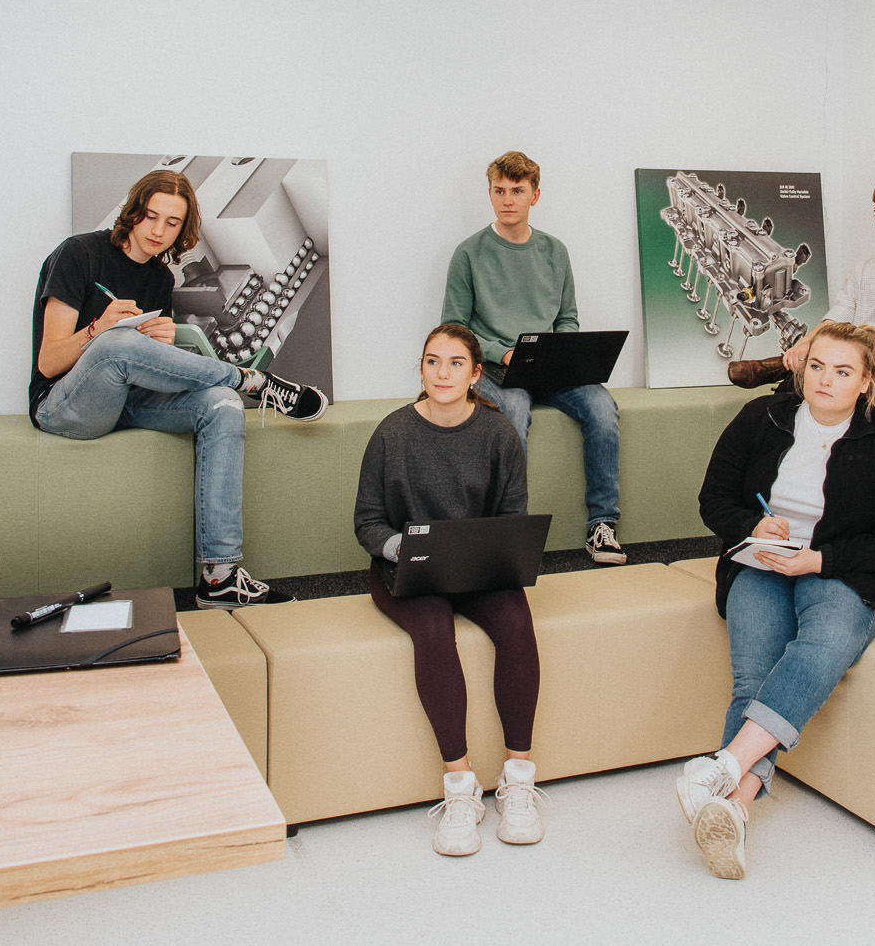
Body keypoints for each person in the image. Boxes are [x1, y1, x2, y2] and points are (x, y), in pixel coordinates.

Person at [679, 320, 875, 879]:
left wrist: (818, 560)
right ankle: (737, 808)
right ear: (801, 366)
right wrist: (754, 526)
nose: (825, 380)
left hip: (840, 571)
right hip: (764, 563)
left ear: (867, 381)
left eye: (843, 372)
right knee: (754, 677)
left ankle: (726, 777)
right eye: (816, 366)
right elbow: (713, 500)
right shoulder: (760, 418)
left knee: (826, 640)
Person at [31, 167, 328, 610]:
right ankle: (251, 379)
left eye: (173, 224)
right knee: (116, 344)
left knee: (224, 406)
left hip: (125, 399)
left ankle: (220, 577)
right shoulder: (77, 254)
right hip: (65, 406)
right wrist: (100, 328)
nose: (159, 231)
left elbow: (140, 363)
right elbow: (49, 360)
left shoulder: (158, 278)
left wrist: (159, 341)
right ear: (133, 214)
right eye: (152, 217)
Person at [354, 322, 547, 857]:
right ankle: (460, 790)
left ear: (476, 374)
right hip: (406, 571)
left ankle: (518, 781)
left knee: (516, 624)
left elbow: (512, 516)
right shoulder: (392, 433)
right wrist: (403, 548)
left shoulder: (498, 433)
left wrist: (490, 553)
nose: (443, 373)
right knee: (434, 631)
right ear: (421, 370)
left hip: (479, 569)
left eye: (456, 363)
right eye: (433, 362)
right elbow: (367, 522)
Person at [442, 150, 625, 564]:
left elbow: (567, 318)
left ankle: (603, 525)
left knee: (601, 406)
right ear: (489, 194)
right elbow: (454, 328)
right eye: (499, 190)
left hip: (550, 366)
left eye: (517, 191)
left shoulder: (555, 252)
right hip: (493, 368)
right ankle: (512, 529)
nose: (508, 199)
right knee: (515, 406)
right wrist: (500, 352)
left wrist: (562, 353)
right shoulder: (468, 253)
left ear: (535, 196)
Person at [729, 172, 875, 402]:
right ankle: (785, 377)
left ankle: (781, 366)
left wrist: (847, 354)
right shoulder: (865, 270)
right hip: (848, 369)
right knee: (797, 387)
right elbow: (835, 320)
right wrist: (804, 344)